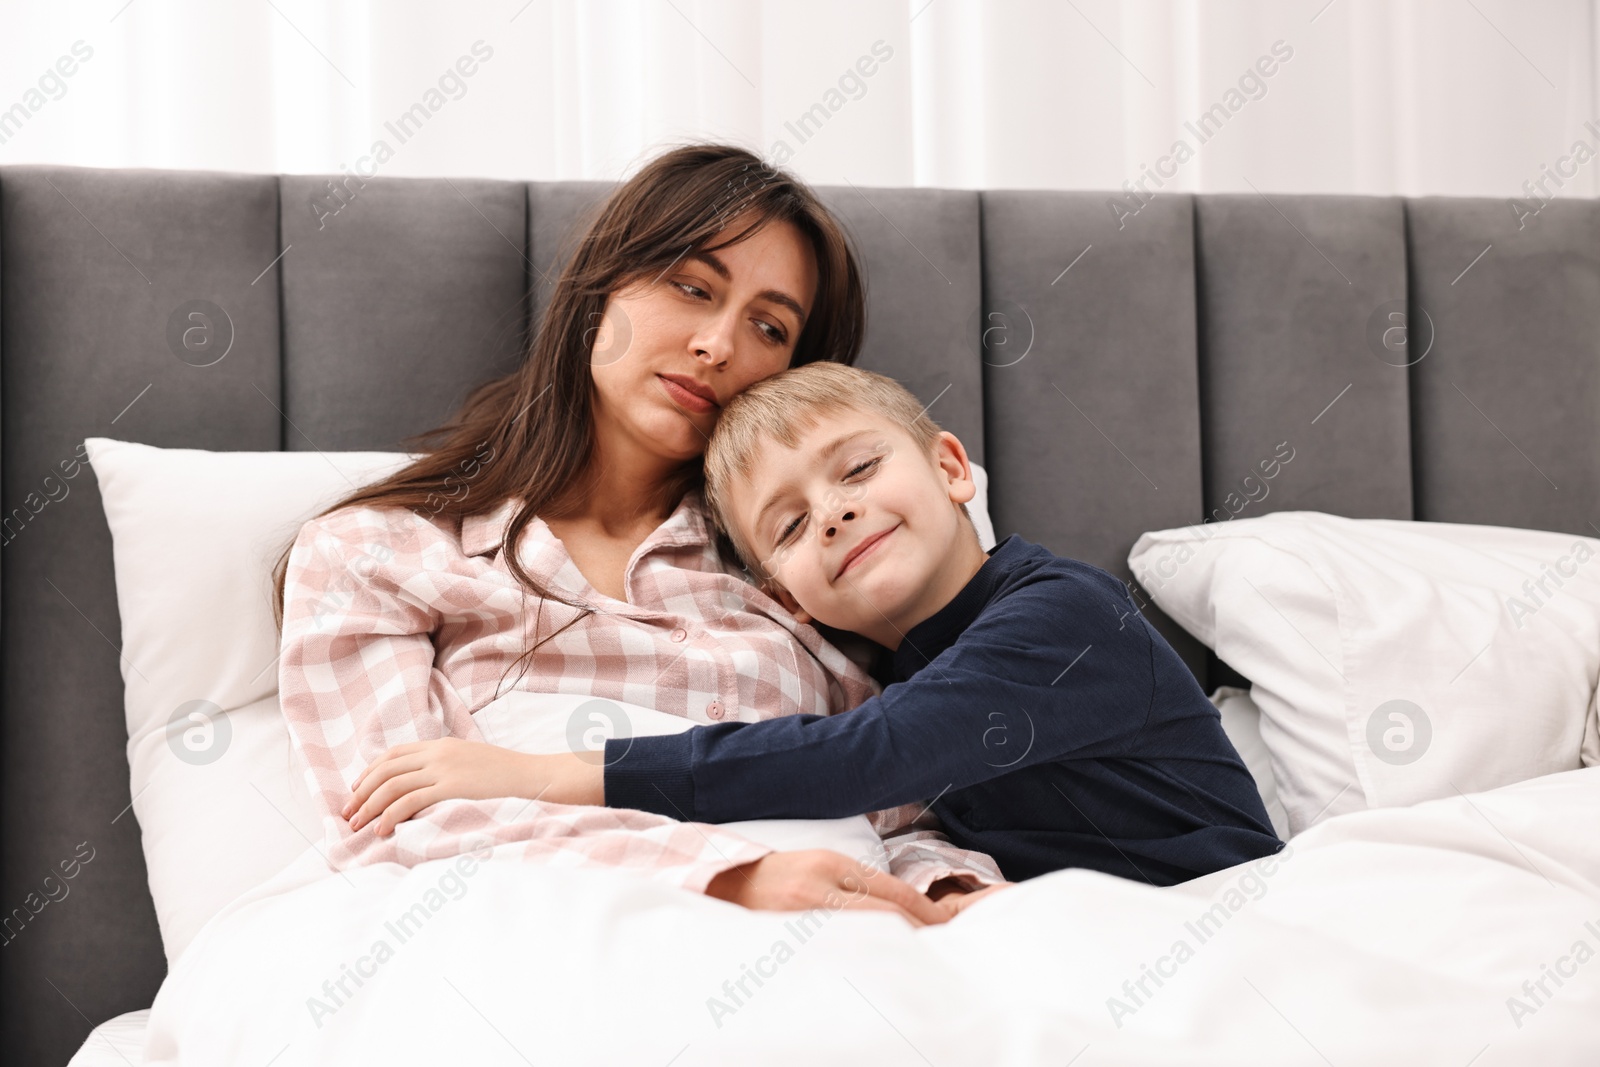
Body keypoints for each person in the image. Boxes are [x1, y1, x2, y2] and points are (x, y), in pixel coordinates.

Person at [275, 144, 1007, 928]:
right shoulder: (373, 554)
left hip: (854, 940)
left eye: (768, 326)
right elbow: (400, 826)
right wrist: (733, 878)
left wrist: (949, 893)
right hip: (550, 940)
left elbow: (903, 809)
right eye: (692, 287)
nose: (718, 346)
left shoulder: (802, 568)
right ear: (601, 288)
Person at [490, 361, 1286, 887]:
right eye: (791, 525)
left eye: (859, 468)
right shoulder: (894, 678)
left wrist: (551, 775)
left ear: (949, 467)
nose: (834, 512)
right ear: (786, 597)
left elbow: (866, 756)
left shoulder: (1063, 614)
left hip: (1220, 907)